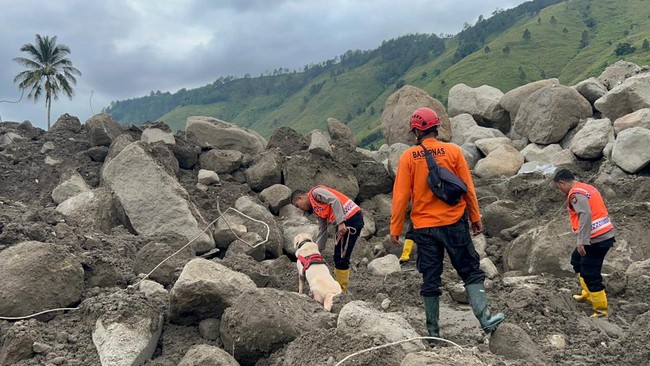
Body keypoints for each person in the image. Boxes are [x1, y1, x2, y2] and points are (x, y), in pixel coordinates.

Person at [390, 107, 505, 339]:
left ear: (416, 132)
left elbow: (401, 196)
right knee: (470, 271)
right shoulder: (453, 151)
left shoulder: (408, 157)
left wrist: (395, 228)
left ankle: (433, 333)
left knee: (430, 278)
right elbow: (468, 189)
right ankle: (485, 319)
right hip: (454, 223)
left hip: (424, 228)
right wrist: (475, 217)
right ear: (436, 128)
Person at [553, 169, 615, 318]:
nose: (560, 190)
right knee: (577, 260)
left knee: (590, 273)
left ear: (562, 183)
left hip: (596, 238)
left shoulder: (575, 194)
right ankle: (587, 293)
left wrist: (582, 241)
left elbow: (585, 215)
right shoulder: (587, 188)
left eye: (559, 187)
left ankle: (600, 311)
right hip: (602, 233)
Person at [291, 185, 364, 293]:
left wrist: (340, 222)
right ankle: (339, 289)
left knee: (341, 258)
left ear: (300, 198)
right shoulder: (317, 208)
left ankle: (340, 292)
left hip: (350, 219)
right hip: (345, 222)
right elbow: (322, 229)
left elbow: (334, 200)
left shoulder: (316, 193)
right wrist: (317, 251)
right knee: (338, 257)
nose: (300, 209)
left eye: (298, 205)